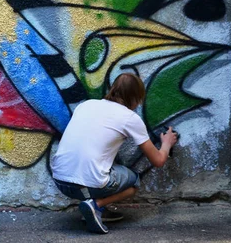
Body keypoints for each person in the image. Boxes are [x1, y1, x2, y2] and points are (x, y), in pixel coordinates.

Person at [51, 73, 179, 234]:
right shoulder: (129, 118)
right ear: (135, 97)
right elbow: (158, 160)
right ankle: (96, 205)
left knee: (102, 167)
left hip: (60, 181)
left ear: (113, 90)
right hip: (85, 186)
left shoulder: (86, 105)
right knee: (134, 181)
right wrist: (166, 143)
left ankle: (93, 210)